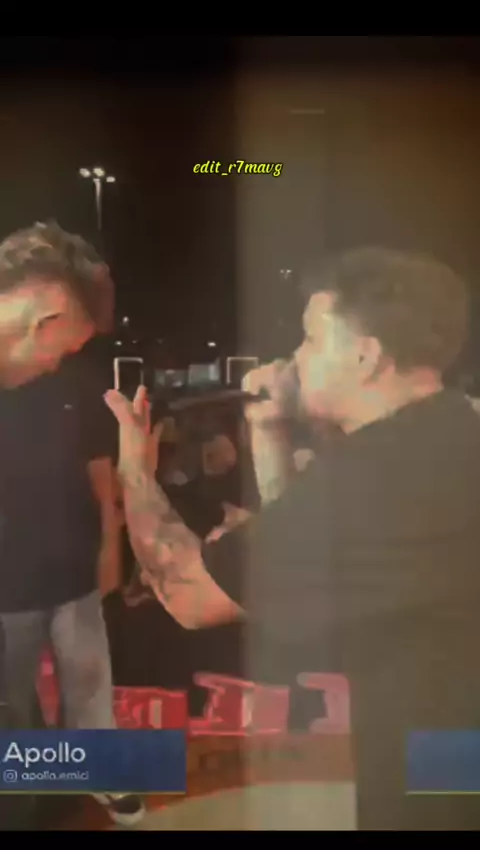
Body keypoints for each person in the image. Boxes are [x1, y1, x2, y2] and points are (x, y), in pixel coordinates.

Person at [106, 247, 480, 830]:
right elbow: (307, 555)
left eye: (311, 338)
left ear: (365, 356)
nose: (294, 358)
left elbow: (189, 595)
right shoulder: (453, 430)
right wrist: (269, 432)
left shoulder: (367, 481)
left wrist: (133, 467)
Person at [0, 221, 144, 828]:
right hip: (6, 591)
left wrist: (111, 543)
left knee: (89, 684)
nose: (65, 357)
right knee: (12, 708)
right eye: (67, 344)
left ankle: (94, 771)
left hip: (72, 569)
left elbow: (97, 466)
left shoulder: (66, 382)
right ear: (47, 318)